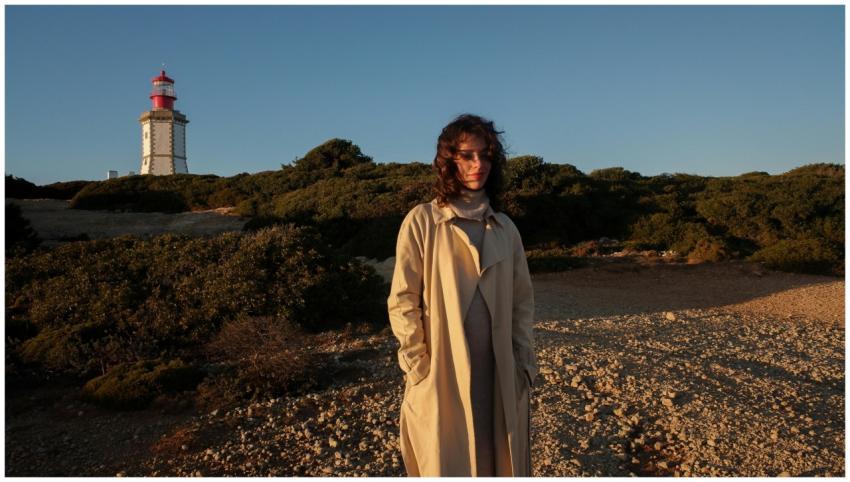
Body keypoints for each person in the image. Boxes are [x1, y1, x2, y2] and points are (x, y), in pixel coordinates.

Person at [387, 113, 538, 477]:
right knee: (446, 457)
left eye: (486, 155)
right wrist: (417, 365)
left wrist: (524, 366)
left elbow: (522, 303)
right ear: (448, 161)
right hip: (442, 370)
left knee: (497, 458)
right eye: (468, 155)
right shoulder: (422, 221)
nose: (478, 165)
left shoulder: (506, 229)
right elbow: (402, 299)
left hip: (499, 368)